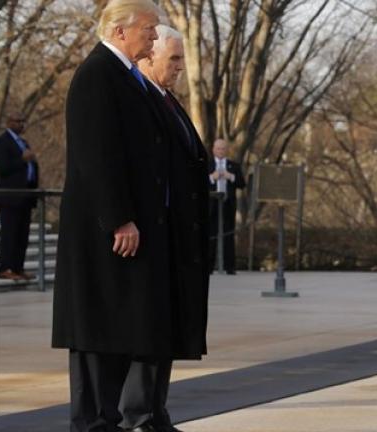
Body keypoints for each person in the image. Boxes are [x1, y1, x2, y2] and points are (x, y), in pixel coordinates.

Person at [50, 1, 181, 431]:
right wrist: (119, 217)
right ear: (122, 31)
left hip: (121, 235)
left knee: (115, 333)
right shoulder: (97, 75)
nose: (154, 36)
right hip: (101, 235)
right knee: (95, 337)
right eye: (148, 28)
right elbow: (96, 154)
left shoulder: (126, 77)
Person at [125, 24, 210, 432]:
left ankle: (155, 412)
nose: (179, 67)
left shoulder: (168, 101)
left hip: (178, 236)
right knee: (149, 330)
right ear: (147, 58)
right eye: (172, 59)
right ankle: (138, 414)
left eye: (180, 59)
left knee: (168, 330)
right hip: (154, 235)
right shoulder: (142, 102)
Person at [0, 112, 39, 281]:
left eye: (23, 121)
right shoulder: (2, 142)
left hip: (25, 196)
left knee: (22, 234)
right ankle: (6, 267)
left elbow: (31, 164)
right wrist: (22, 159)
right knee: (10, 233)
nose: (22, 124)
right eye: (18, 121)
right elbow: (2, 166)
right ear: (9, 122)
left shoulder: (23, 143)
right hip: (9, 197)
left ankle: (18, 267)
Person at [208, 139, 245, 274]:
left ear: (227, 150)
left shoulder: (233, 166)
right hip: (212, 205)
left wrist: (231, 177)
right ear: (213, 149)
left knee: (228, 236)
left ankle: (230, 267)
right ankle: (209, 267)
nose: (221, 151)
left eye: (223, 148)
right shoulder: (208, 164)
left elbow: (242, 183)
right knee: (211, 236)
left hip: (227, 204)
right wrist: (212, 177)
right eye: (218, 148)